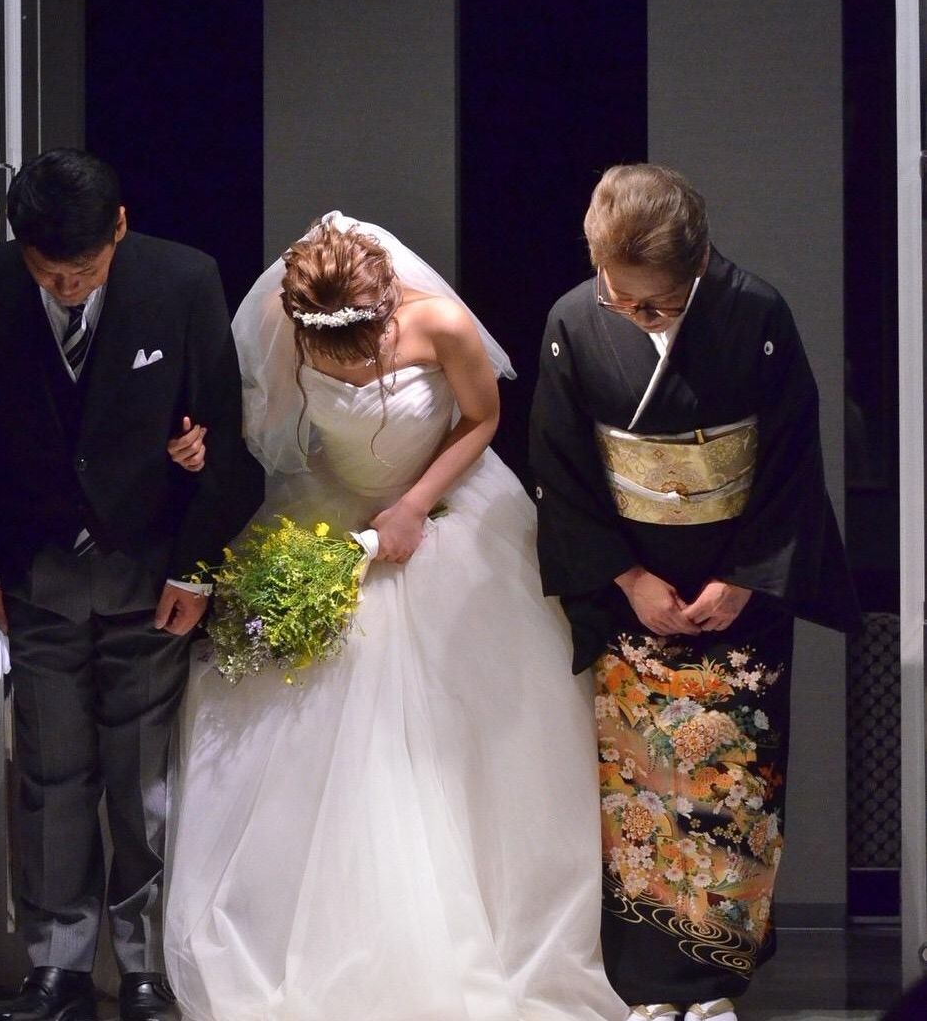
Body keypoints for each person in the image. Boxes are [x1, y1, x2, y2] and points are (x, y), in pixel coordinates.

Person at [162, 213, 627, 1021]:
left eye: (366, 347)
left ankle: (485, 929)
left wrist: (412, 506)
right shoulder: (281, 323)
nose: (351, 365)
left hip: (447, 511)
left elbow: (481, 419)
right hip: (333, 511)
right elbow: (259, 431)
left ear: (386, 308)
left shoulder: (440, 323)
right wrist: (199, 451)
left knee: (466, 731)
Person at [529, 164, 861, 1021]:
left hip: (738, 587)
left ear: (702, 262)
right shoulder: (573, 321)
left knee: (731, 784)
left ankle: (715, 983)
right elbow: (562, 466)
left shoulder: (758, 315)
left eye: (662, 303)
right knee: (639, 789)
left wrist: (745, 578)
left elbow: (792, 459)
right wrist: (628, 578)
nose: (640, 315)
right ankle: (644, 986)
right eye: (624, 299)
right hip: (632, 590)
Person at [0, 149, 258, 1021]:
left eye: (83, 270)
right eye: (49, 272)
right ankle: (57, 968)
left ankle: (143, 967)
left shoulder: (183, 279)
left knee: (142, 778)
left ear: (120, 227)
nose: (67, 287)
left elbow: (225, 437)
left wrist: (196, 568)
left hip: (151, 571)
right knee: (49, 772)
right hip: (35, 571)